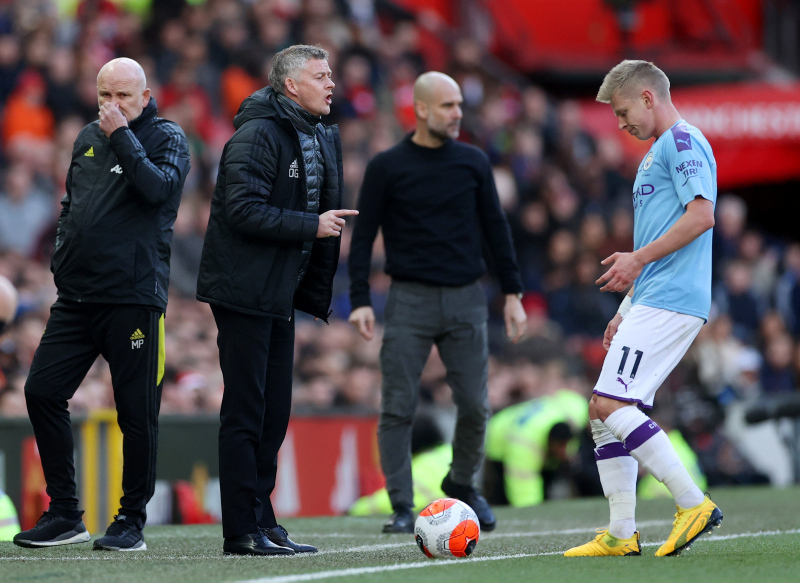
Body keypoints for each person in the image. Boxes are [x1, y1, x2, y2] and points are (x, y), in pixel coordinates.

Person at [13, 58, 190, 552]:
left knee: (136, 411)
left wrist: (122, 137)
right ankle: (66, 512)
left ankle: (130, 519)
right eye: (104, 97)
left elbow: (158, 191)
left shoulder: (168, 138)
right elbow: (73, 202)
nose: (112, 107)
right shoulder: (87, 137)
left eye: (122, 97)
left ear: (145, 95)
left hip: (133, 297)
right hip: (77, 296)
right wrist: (62, 255)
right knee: (42, 391)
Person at [348, 71, 527, 534]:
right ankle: (403, 505)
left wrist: (512, 293)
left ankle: (463, 484)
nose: (457, 114)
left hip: (468, 298)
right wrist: (361, 299)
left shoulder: (473, 162)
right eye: (448, 106)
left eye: (460, 106)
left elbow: (496, 229)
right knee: (398, 406)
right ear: (421, 109)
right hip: (409, 299)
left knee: (475, 406)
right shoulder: (387, 166)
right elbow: (363, 236)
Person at [196, 44, 356, 557]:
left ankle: (262, 520)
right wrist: (312, 225)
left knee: (274, 413)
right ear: (291, 85)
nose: (332, 83)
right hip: (244, 291)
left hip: (277, 292)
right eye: (321, 76)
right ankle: (241, 529)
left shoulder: (313, 133)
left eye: (331, 75)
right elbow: (240, 209)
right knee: (247, 411)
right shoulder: (257, 134)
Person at [563, 60, 722, 558]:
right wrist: (626, 305)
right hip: (653, 297)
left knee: (614, 404)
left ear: (649, 98)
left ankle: (693, 503)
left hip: (674, 298)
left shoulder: (682, 142)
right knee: (600, 409)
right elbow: (659, 235)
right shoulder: (656, 152)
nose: (621, 122)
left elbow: (702, 216)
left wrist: (636, 262)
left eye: (623, 110)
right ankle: (620, 532)